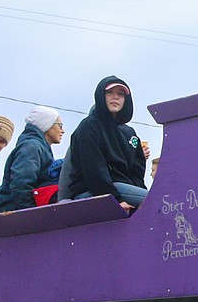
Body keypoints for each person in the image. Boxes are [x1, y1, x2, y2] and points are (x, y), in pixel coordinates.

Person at [58, 76, 148, 211]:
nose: (115, 97)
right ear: (101, 95)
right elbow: (94, 169)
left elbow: (137, 171)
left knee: (157, 200)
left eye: (120, 94)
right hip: (92, 191)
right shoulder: (88, 127)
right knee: (161, 200)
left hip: (123, 189)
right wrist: (116, 199)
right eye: (110, 93)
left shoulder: (130, 133)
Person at [0, 105, 64, 212]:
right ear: (47, 125)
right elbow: (21, 183)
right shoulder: (32, 147)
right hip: (14, 213)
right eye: (60, 125)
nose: (62, 130)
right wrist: (31, 212)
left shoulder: (38, 147)